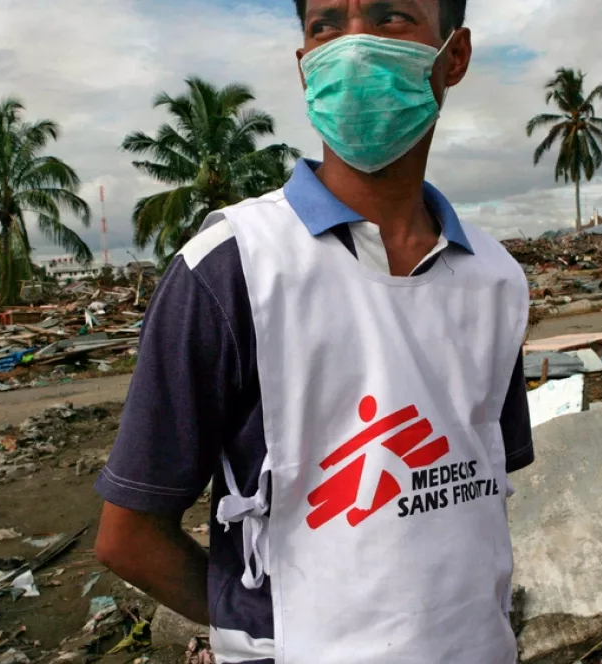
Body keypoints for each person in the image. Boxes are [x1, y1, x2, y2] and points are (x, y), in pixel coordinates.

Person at [94, 1, 533, 662]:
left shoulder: (495, 279)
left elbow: (478, 491)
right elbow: (128, 536)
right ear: (306, 68)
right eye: (326, 25)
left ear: (455, 56)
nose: (352, 49)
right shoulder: (230, 269)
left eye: (390, 17)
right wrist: (259, 634)